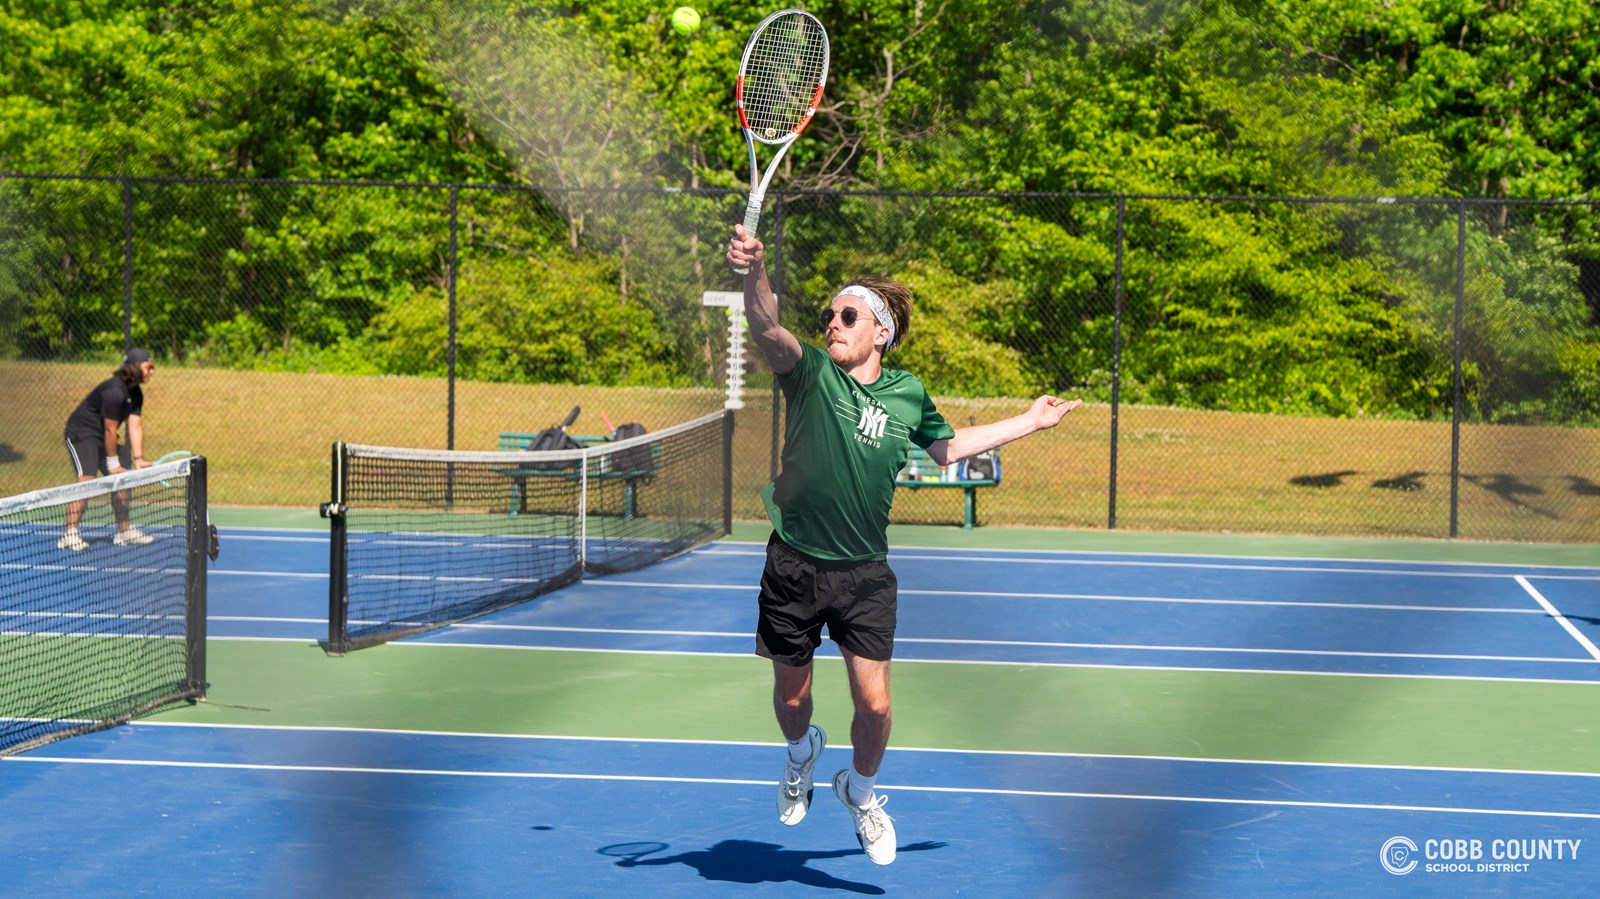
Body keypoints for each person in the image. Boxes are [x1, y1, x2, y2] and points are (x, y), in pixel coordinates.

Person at [726, 224, 1081, 865]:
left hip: (863, 573)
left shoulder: (908, 394)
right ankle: (802, 753)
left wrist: (1030, 421)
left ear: (880, 331)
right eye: (829, 313)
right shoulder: (809, 374)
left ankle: (860, 793)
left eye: (848, 314)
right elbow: (766, 328)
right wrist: (754, 272)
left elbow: (947, 449)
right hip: (793, 565)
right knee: (791, 699)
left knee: (878, 703)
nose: (832, 322)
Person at [59, 347, 157, 551]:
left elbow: (135, 426)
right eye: (149, 367)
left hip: (104, 436)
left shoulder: (136, 394)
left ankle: (123, 532)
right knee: (87, 479)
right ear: (136, 367)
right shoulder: (114, 390)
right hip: (81, 433)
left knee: (123, 480)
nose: (152, 371)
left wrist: (139, 459)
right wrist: (112, 464)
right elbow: (110, 429)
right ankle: (70, 534)